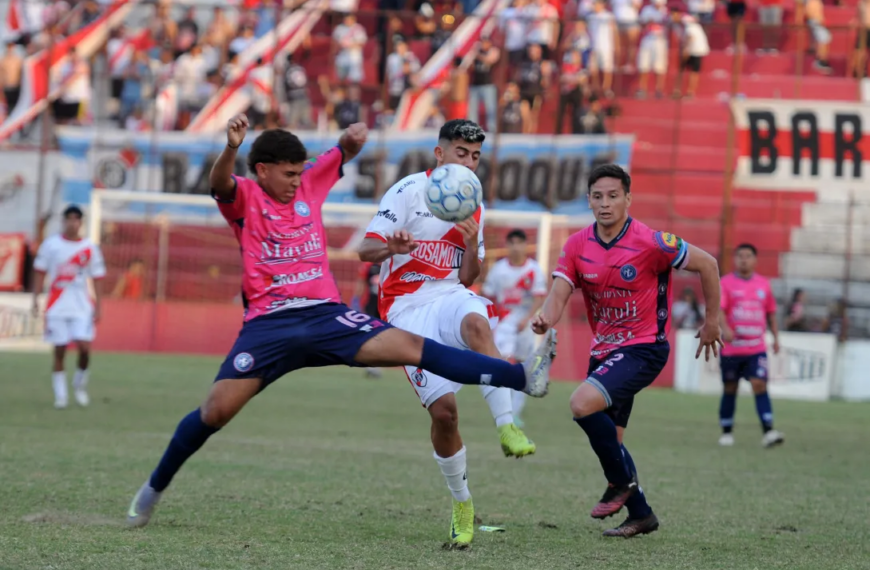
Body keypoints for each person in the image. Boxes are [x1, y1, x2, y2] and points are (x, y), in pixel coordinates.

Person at [126, 115, 556, 535]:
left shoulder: (312, 180)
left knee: (414, 349)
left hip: (327, 316)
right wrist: (232, 147)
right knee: (214, 412)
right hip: (269, 325)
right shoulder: (245, 198)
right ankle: (152, 489)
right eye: (289, 173)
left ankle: (520, 377)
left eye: (301, 172)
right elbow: (219, 183)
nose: (298, 181)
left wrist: (354, 136)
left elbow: (342, 151)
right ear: (262, 171)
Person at [358, 119, 548, 548]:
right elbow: (365, 250)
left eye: (476, 156)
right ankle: (462, 504)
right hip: (404, 308)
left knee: (478, 324)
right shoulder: (407, 191)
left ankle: (507, 425)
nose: (469, 163)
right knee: (444, 414)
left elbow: (468, 276)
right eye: (462, 153)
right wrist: (394, 246)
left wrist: (471, 240)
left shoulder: (471, 202)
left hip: (449, 293)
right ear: (440, 154)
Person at [531, 164, 722, 538]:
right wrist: (545, 318)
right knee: (612, 442)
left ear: (628, 199)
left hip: (644, 348)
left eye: (613, 196)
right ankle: (641, 514)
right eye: (598, 196)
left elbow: (708, 265)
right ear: (588, 200)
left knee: (580, 404)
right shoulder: (576, 245)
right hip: (604, 351)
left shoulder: (652, 242)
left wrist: (712, 321)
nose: (605, 204)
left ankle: (620, 484)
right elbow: (558, 294)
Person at [32, 205, 106, 409]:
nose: (72, 223)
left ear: (81, 223)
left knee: (84, 347)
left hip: (82, 305)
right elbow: (40, 271)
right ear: (63, 221)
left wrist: (99, 305)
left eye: (76, 219)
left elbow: (98, 277)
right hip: (57, 304)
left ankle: (80, 384)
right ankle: (61, 395)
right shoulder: (51, 245)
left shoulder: (90, 247)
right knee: (59, 349)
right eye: (69, 219)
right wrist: (36, 299)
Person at [718, 244, 784, 448]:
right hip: (732, 348)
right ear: (735, 260)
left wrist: (775, 337)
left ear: (755, 260)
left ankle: (768, 430)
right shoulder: (726, 283)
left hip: (756, 347)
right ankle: (727, 431)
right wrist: (725, 327)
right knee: (731, 387)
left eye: (748, 256)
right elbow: (719, 309)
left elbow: (771, 312)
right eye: (740, 256)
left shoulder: (764, 284)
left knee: (759, 384)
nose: (743, 260)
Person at [481, 229, 547, 427]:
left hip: (526, 325)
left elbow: (539, 296)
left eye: (520, 243)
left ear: (525, 245)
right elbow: (488, 295)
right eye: (512, 243)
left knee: (524, 367)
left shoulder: (533, 269)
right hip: (504, 323)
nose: (516, 247)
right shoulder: (499, 269)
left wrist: (526, 318)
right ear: (507, 245)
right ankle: (503, 410)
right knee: (503, 364)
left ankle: (514, 413)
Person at [353, 260, 383, 377]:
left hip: (386, 306)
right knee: (371, 335)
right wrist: (356, 300)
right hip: (370, 305)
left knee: (383, 336)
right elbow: (361, 283)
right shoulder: (369, 266)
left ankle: (377, 364)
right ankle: (371, 365)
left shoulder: (394, 262)